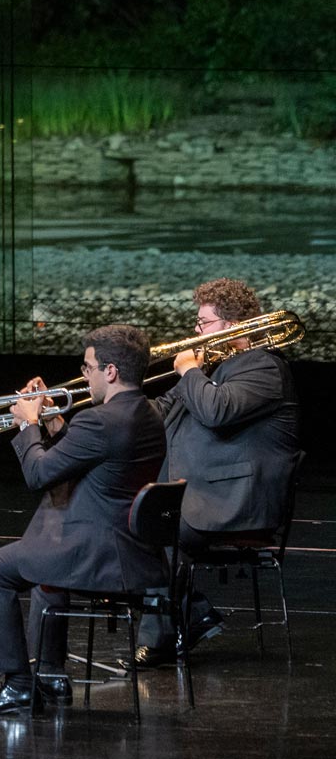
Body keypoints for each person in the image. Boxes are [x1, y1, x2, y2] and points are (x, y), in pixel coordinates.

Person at [0, 324, 167, 714]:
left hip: (94, 553)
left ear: (111, 372)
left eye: (88, 367)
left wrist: (27, 422)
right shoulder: (149, 414)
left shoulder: (100, 421)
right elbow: (98, 459)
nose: (83, 375)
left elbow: (39, 475)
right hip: (131, 552)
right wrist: (56, 425)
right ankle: (51, 675)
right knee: (43, 566)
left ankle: (18, 684)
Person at [132, 278, 302, 667]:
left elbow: (216, 410)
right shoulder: (214, 368)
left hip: (237, 501)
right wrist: (113, 399)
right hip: (204, 494)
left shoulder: (265, 367)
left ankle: (179, 624)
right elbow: (159, 412)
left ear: (231, 324)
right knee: (132, 519)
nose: (196, 331)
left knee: (147, 527)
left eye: (203, 322)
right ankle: (190, 617)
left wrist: (190, 370)